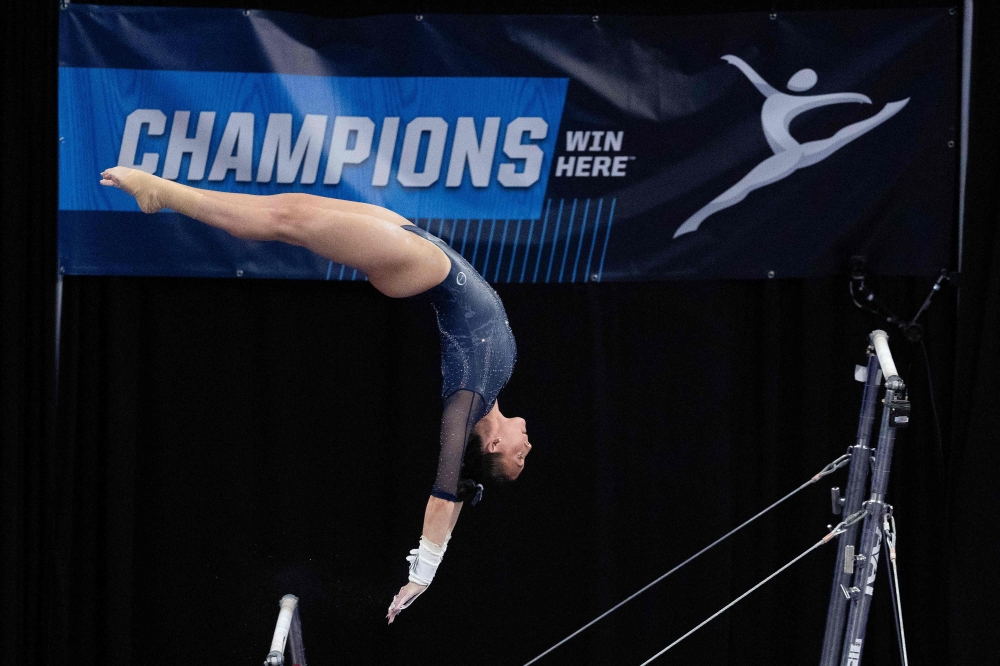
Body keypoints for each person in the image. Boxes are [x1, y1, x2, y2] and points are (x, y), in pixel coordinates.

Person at [99, 166, 532, 622]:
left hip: (421, 265)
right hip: (424, 250)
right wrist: (467, 488)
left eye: (518, 460)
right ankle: (166, 193)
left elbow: (445, 491)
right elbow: (461, 487)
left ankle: (163, 194)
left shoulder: (466, 401)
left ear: (495, 444)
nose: (528, 450)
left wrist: (423, 572)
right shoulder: (493, 387)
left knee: (286, 222)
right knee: (293, 208)